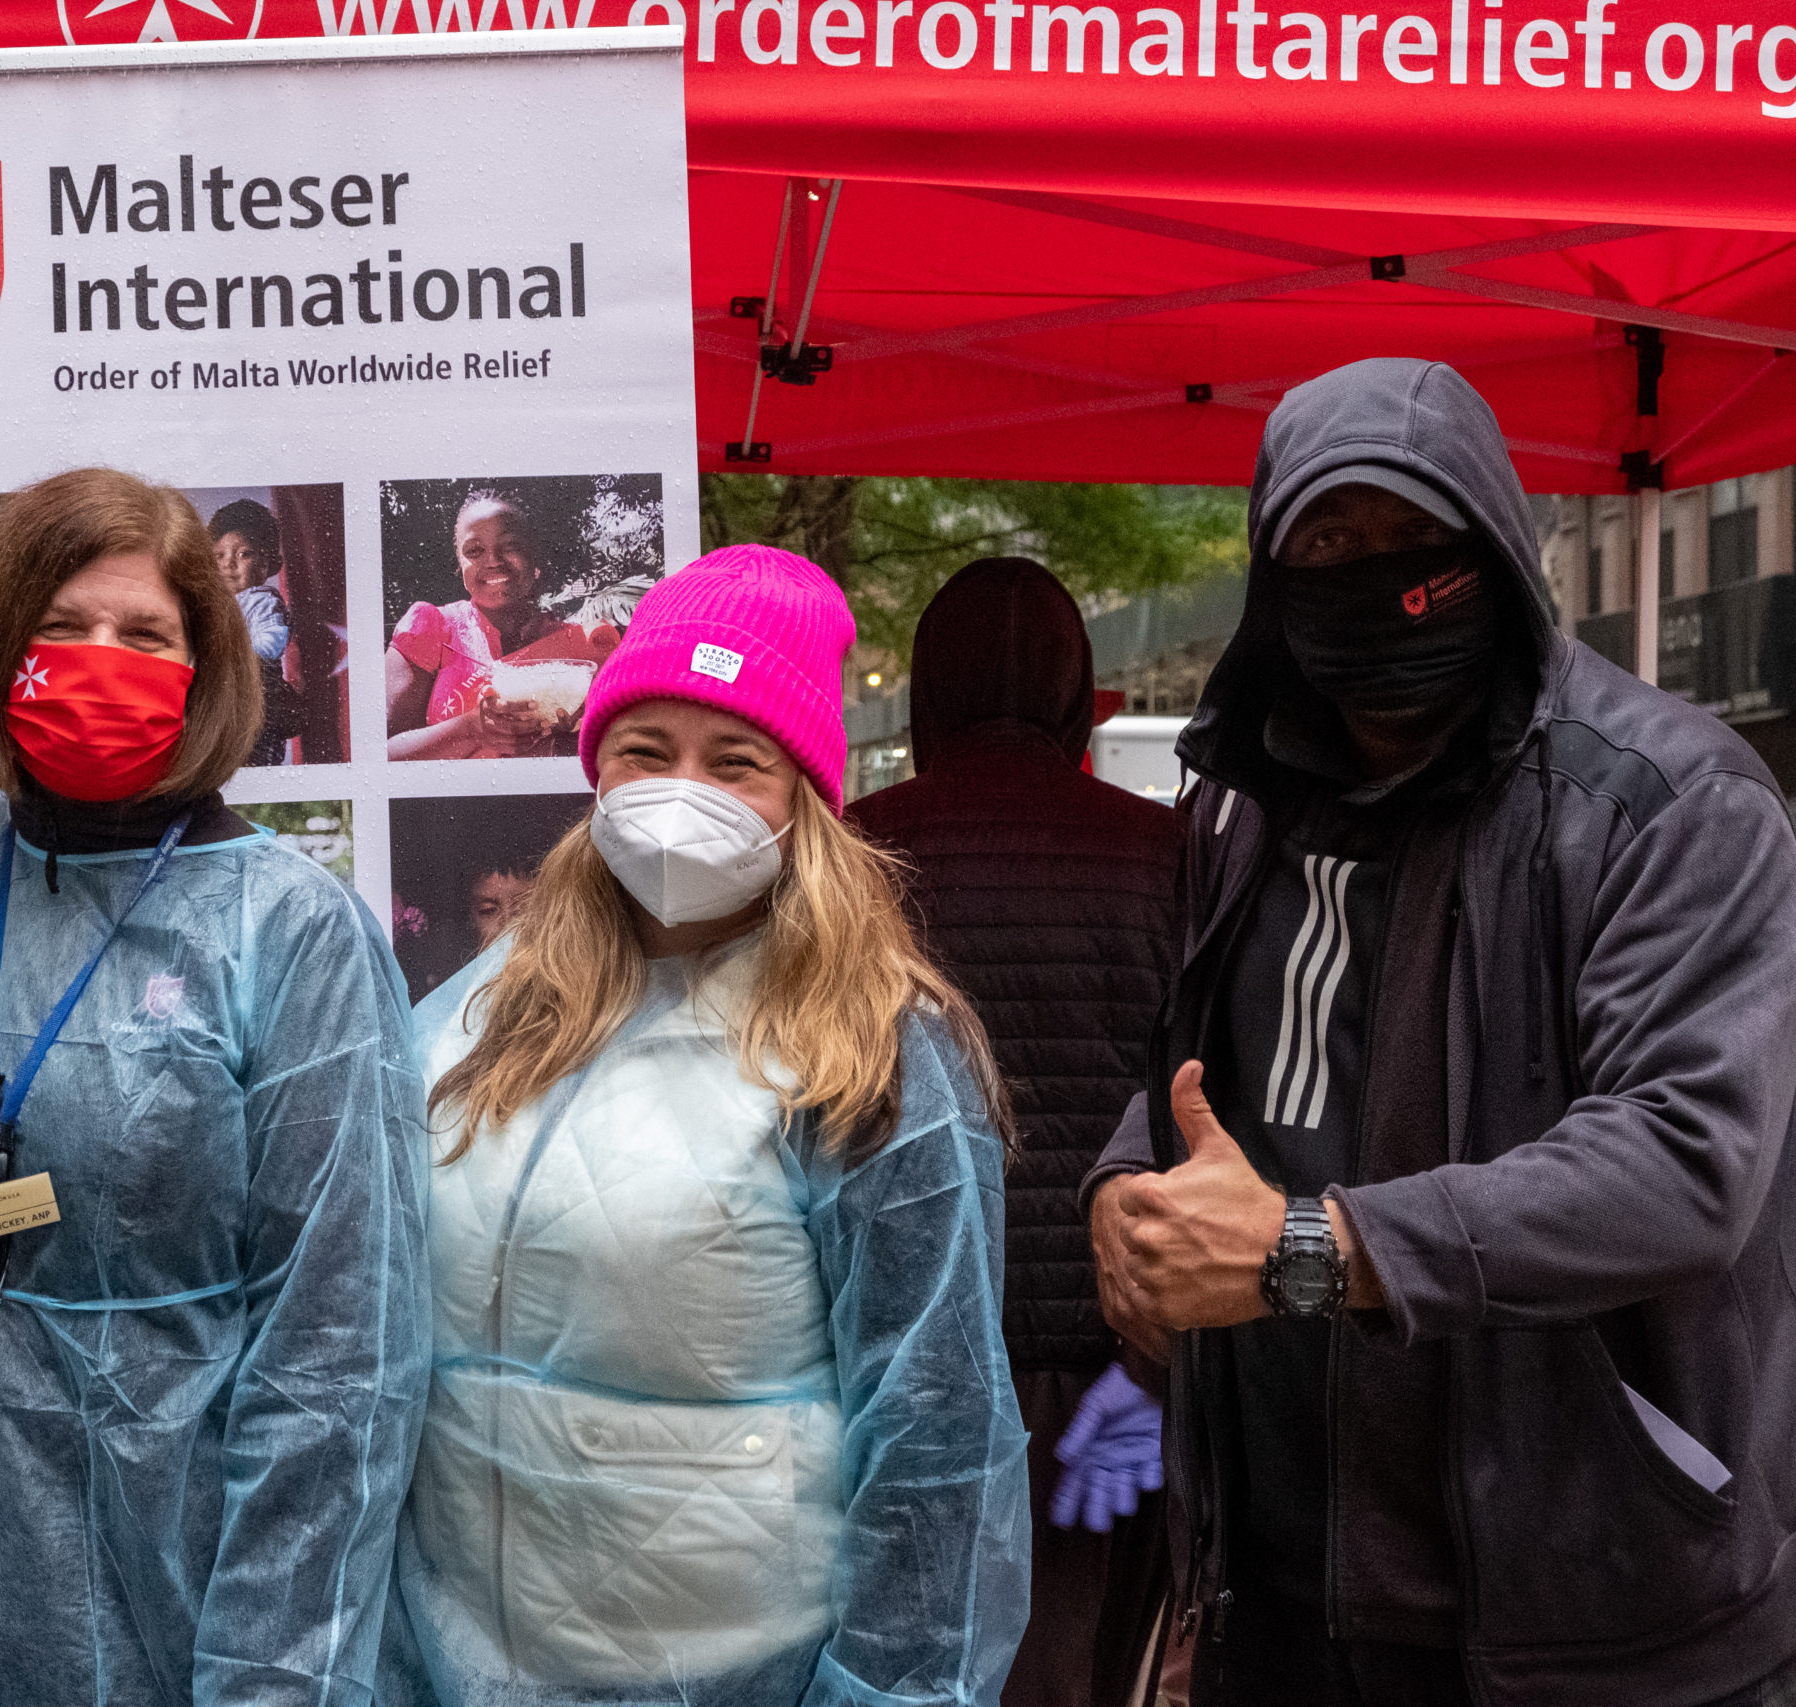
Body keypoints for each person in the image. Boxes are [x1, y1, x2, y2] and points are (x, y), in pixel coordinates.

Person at [1086, 358, 1796, 1707]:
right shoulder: (1246, 801)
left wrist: (1311, 1250)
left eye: (1418, 539)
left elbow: (1685, 1159)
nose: (1381, 579)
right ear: (1273, 572)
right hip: (1281, 1593)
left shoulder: (1669, 802)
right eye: (1331, 544)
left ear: (1498, 547)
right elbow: (1189, 1069)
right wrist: (1126, 1187)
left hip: (1588, 1614)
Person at [0, 467, 429, 1707]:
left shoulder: (292, 930)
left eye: (145, 635)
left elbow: (340, 1357)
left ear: (205, 665)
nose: (104, 659)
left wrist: (277, 1679)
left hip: (180, 1608)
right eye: (61, 628)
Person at [389, 544, 1031, 1707]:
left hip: (748, 1673)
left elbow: (936, 1434)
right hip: (463, 1661)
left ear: (806, 800)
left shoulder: (870, 1048)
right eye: (646, 750)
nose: (680, 792)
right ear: (596, 770)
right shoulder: (481, 1013)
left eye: (735, 762)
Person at [849, 558, 1182, 1707]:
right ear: (1076, 690)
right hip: (1121, 1360)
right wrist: (1155, 1368)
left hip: (905, 1358)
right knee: (1086, 1670)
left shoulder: (854, 857)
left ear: (922, 692)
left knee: (913, 1661)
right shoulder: (1169, 855)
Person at [385, 489, 613, 760]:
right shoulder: (431, 627)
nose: (492, 561)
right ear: (460, 563)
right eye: (475, 550)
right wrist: (473, 728)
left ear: (534, 557)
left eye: (510, 546)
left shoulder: (582, 648)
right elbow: (378, 756)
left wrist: (567, 739)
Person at [209, 498, 301, 766]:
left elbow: (272, 640)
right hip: (227, 700)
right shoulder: (213, 605)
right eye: (219, 555)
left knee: (256, 756)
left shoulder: (260, 599)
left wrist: (235, 656)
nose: (228, 564)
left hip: (258, 697)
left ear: (268, 563)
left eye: (244, 554)